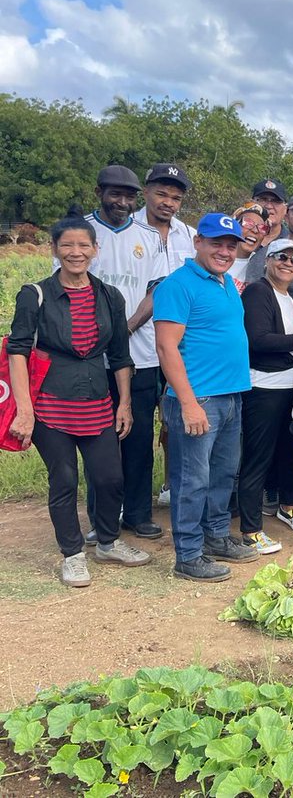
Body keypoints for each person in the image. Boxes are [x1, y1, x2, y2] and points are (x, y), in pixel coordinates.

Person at [8, 210, 151, 587]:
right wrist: (24, 411)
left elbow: (120, 355)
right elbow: (17, 351)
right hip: (50, 404)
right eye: (67, 245)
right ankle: (72, 554)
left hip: (98, 401)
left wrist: (124, 403)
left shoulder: (109, 296)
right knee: (65, 478)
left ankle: (107, 541)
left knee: (108, 478)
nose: (75, 252)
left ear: (95, 249)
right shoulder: (34, 295)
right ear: (54, 249)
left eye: (83, 245)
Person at [154, 213, 258, 582]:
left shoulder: (225, 281)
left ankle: (215, 537)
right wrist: (187, 402)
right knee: (191, 479)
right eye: (217, 243)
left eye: (231, 245)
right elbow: (166, 348)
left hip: (230, 396)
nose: (225, 251)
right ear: (198, 242)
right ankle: (188, 554)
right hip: (199, 399)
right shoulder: (177, 285)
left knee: (222, 474)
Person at [64, 166, 162, 541]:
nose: (122, 202)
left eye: (129, 196)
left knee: (137, 441)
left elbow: (155, 289)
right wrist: (100, 334)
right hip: (89, 358)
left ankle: (138, 514)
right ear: (99, 191)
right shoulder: (81, 233)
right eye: (114, 194)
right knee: (97, 443)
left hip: (140, 356)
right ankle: (101, 518)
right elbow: (69, 288)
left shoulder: (148, 236)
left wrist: (124, 329)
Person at [236, 238, 293, 551]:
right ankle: (250, 530)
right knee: (258, 458)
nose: (288, 263)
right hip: (264, 387)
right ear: (267, 259)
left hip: (290, 386)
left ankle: (288, 505)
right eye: (282, 257)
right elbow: (258, 340)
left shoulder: (285, 296)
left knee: (291, 451)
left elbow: (286, 338)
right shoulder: (257, 291)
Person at [133, 163, 198, 510]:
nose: (168, 202)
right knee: (137, 426)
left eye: (175, 197)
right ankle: (134, 501)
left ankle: (172, 485)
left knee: (176, 421)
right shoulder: (129, 231)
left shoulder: (188, 235)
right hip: (136, 345)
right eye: (161, 193)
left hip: (179, 345)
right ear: (146, 192)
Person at [229, 202, 269, 292]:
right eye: (248, 223)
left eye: (262, 228)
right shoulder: (215, 256)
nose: (255, 230)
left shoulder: (263, 266)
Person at [251, 179, 289, 246]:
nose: (269, 206)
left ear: (285, 209)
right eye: (263, 199)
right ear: (252, 204)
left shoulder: (292, 242)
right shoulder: (238, 234)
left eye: (276, 201)